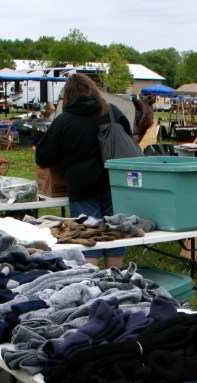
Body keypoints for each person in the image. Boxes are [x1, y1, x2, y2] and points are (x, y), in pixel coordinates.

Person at [35, 73, 132, 268]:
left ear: (68, 95)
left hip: (82, 186)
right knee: (115, 235)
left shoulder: (64, 120)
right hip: (113, 182)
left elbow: (43, 157)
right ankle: (116, 280)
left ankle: (93, 285)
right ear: (93, 90)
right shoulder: (111, 111)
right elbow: (127, 139)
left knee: (87, 239)